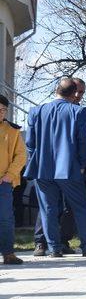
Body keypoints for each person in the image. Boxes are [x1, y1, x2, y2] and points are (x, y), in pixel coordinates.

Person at [24, 79, 86, 258]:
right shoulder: (79, 112)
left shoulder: (36, 112)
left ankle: (54, 248)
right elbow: (83, 142)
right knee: (80, 207)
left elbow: (30, 143)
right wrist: (82, 165)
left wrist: (35, 160)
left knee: (48, 209)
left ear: (56, 90)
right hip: (69, 167)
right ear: (74, 93)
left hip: (42, 168)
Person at [0, 94, 27, 265]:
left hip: (4, 182)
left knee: (5, 218)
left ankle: (8, 253)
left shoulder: (12, 130)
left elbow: (21, 155)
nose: (1, 113)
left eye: (3, 110)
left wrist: (10, 175)